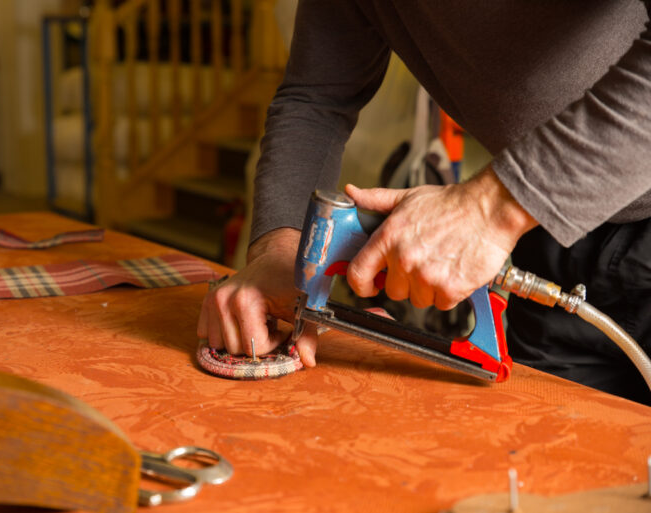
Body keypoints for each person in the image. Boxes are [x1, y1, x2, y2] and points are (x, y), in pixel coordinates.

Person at [198, 1, 651, 404]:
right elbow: (317, 100)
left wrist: (489, 208)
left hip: (540, 207)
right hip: (547, 230)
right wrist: (280, 253)